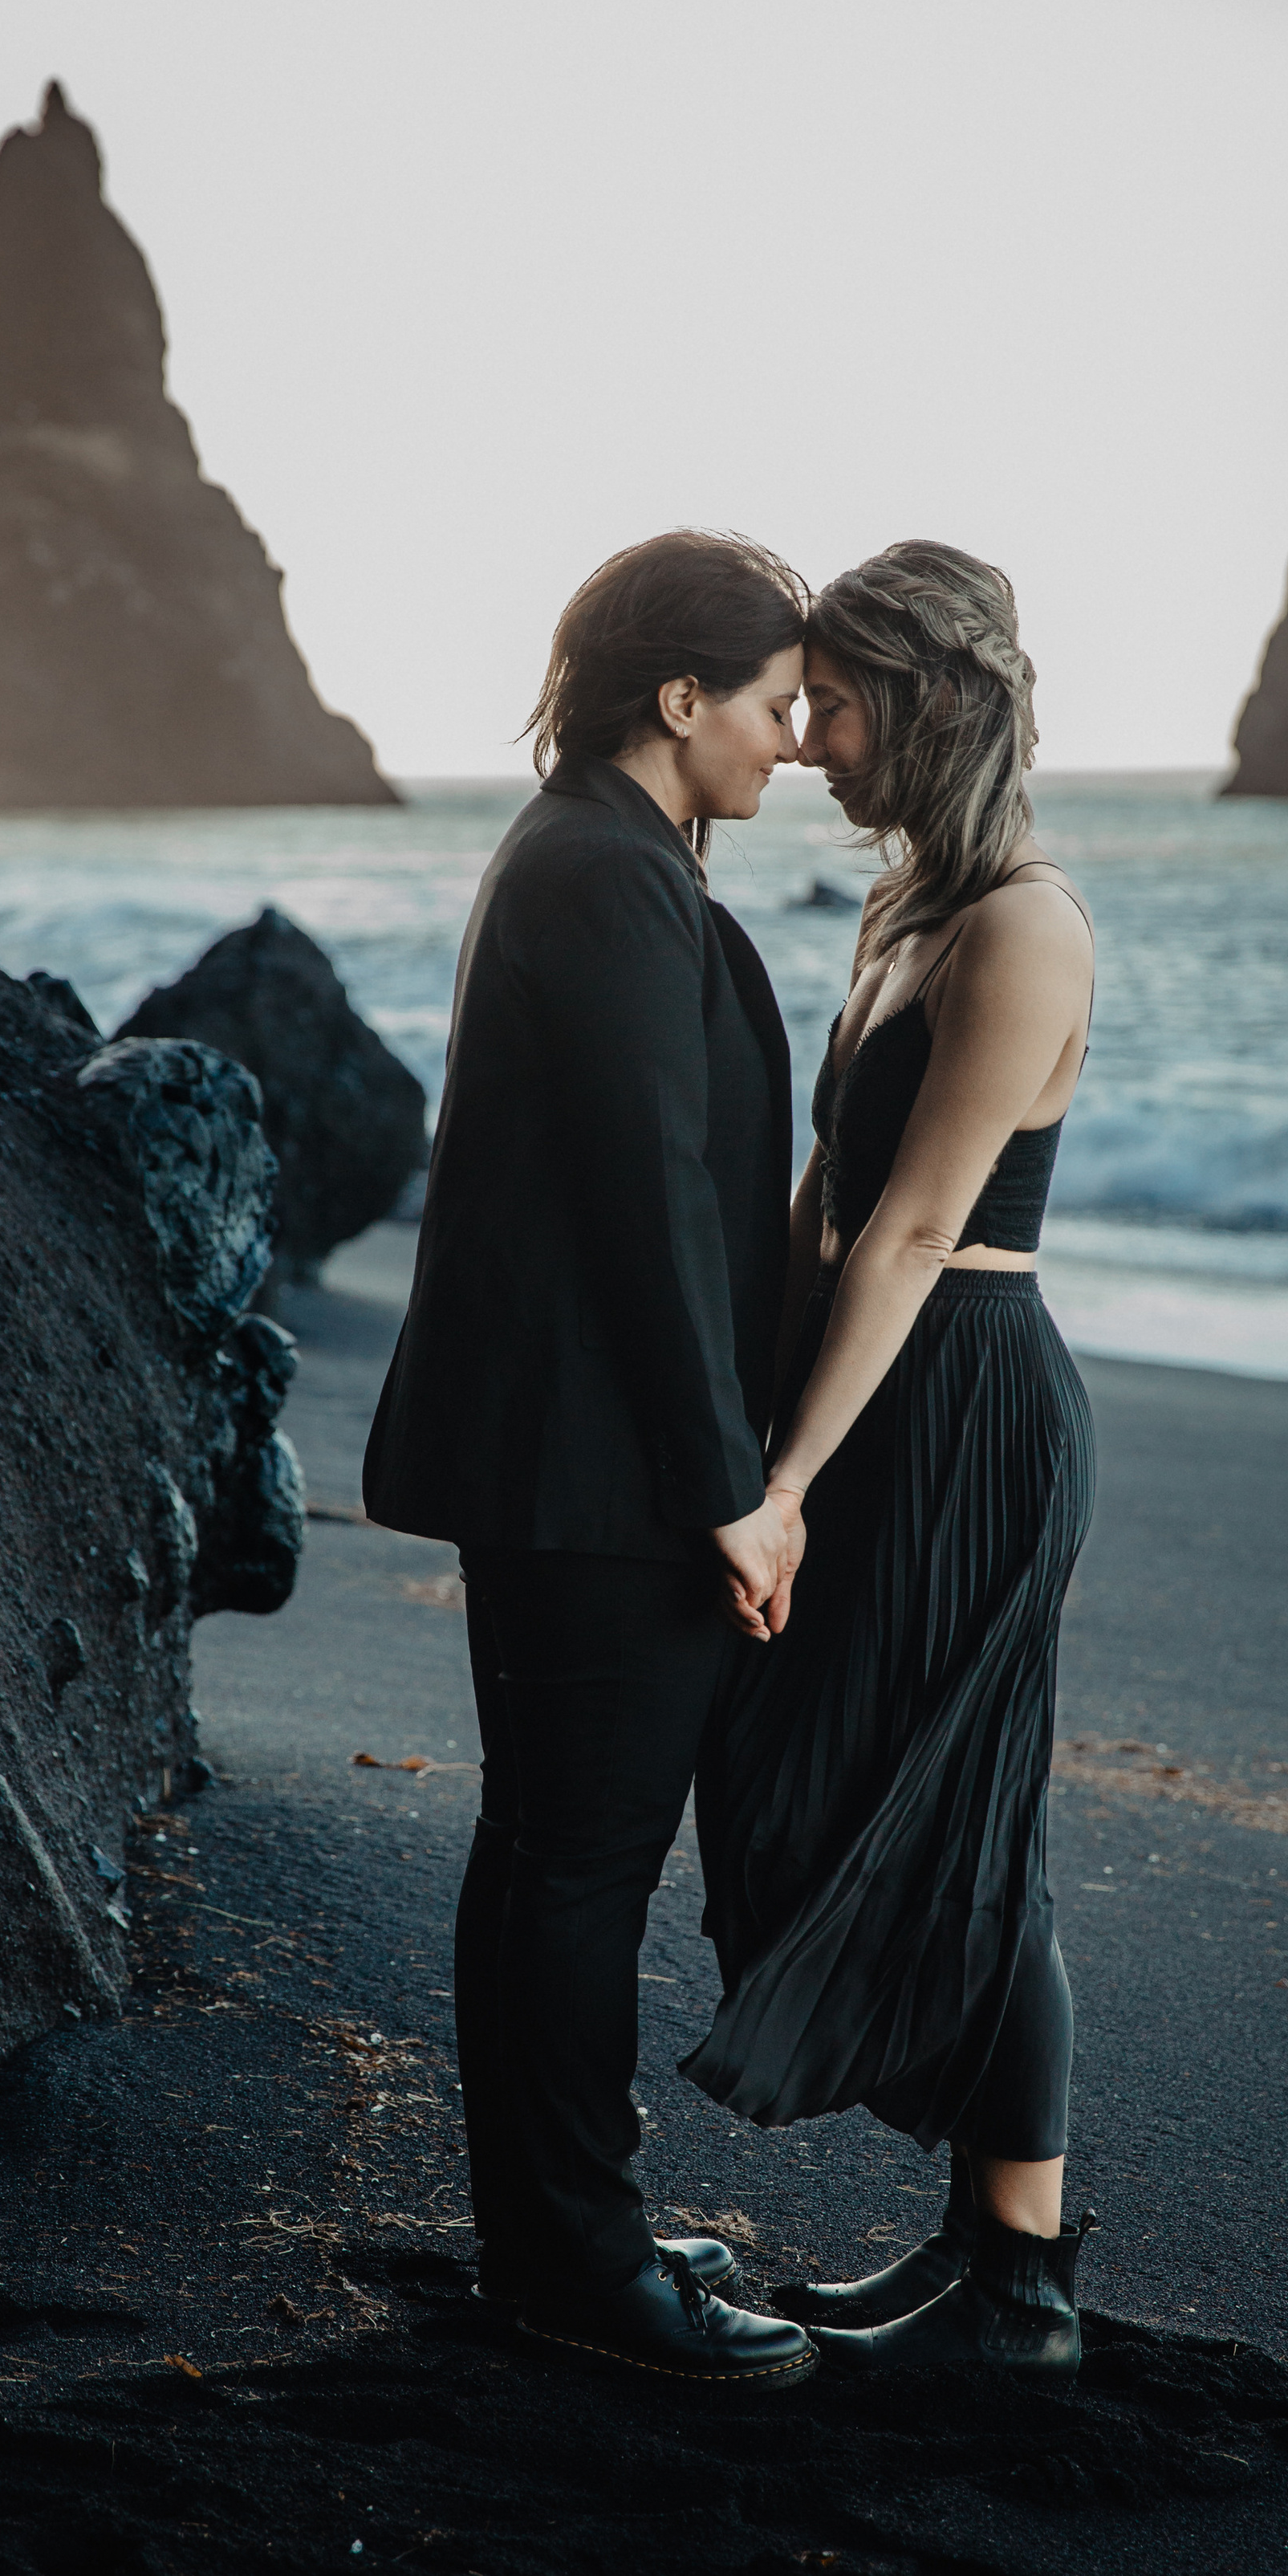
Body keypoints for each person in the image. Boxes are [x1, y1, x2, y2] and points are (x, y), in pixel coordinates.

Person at [363, 531, 820, 2390]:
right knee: (576, 1866)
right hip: (601, 1477)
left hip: (576, 1461)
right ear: (681, 697)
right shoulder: (603, 877)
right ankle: (576, 2270)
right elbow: (649, 1207)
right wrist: (732, 1484)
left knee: (550, 1856)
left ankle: (563, 2227)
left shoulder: (592, 855)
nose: (792, 743)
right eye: (777, 705)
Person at [682, 539, 1101, 2385]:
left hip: (962, 1406)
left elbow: (918, 1232)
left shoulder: (1024, 926)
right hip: (864, 1392)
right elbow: (821, 1205)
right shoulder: (905, 911)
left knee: (953, 1824)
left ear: (918, 706)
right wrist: (742, 1422)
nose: (804, 744)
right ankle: (974, 2253)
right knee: (818, 1798)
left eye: (830, 704)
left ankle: (1015, 2277)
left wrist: (785, 1484)